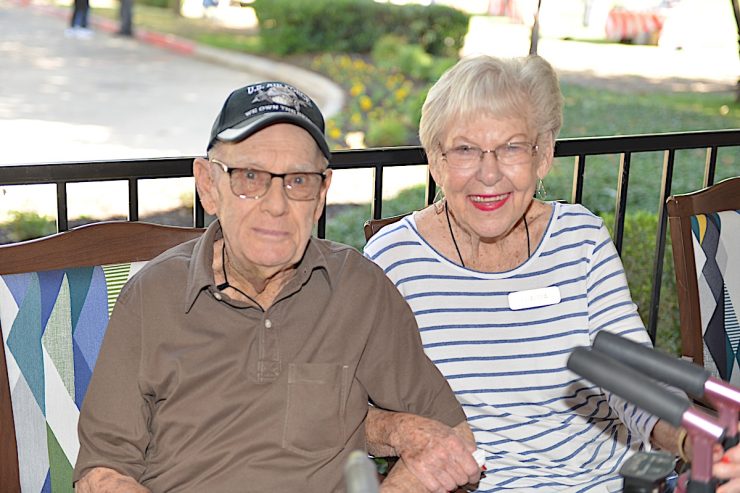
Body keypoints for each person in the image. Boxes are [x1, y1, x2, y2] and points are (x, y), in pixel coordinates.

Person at [72, 81, 481, 492]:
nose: (276, 204)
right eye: (250, 176)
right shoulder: (153, 295)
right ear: (209, 185)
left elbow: (453, 439)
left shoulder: (358, 289)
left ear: (321, 195)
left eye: (298, 181)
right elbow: (103, 472)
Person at [364, 54, 740, 492]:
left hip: (612, 482)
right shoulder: (392, 259)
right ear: (436, 160)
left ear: (542, 156)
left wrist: (690, 439)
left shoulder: (578, 238)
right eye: (466, 149)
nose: (490, 174)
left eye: (512, 148)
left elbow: (635, 381)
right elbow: (343, 404)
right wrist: (408, 434)